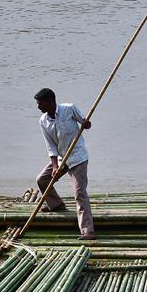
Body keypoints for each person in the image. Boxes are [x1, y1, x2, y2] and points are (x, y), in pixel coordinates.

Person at [33, 88, 95, 240]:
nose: (38, 107)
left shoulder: (69, 109)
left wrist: (86, 124)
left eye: (40, 104)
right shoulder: (43, 121)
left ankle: (88, 231)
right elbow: (51, 146)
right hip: (61, 158)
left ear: (49, 102)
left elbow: (85, 123)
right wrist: (55, 166)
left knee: (79, 193)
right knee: (42, 179)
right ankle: (56, 204)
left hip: (77, 157)